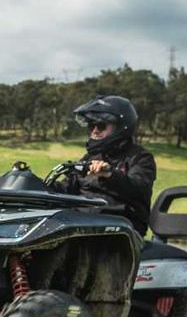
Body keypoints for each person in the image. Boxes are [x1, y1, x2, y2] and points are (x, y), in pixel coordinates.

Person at [51, 95, 156, 236]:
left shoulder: (139, 157)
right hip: (81, 227)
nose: (94, 131)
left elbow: (138, 187)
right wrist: (32, 184)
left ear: (121, 128)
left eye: (100, 126)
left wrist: (110, 175)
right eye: (91, 126)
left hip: (119, 232)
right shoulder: (90, 158)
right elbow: (66, 188)